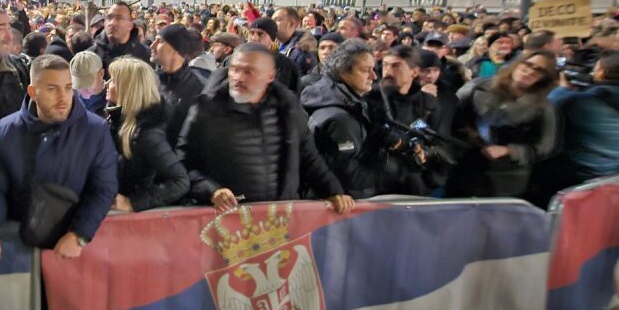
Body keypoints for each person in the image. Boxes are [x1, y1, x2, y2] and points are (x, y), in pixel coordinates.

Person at [0, 55, 118, 263]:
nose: (63, 97)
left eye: (68, 87)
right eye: (52, 89)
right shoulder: (6, 130)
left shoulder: (95, 130)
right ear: (32, 92)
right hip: (17, 252)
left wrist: (79, 235)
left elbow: (104, 188)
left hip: (73, 253)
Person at [178, 43, 355, 213]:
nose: (238, 77)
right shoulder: (207, 109)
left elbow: (308, 157)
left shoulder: (288, 109)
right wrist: (211, 191)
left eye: (248, 71)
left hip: (277, 222)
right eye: (235, 69)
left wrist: (333, 192)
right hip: (226, 222)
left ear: (270, 76)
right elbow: (183, 164)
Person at [449, 51, 559, 198]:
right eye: (528, 65)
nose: (530, 71)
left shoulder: (544, 108)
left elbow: (546, 146)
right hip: (466, 166)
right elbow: (452, 114)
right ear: (517, 63)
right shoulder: (479, 86)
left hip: (506, 177)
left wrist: (509, 150)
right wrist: (466, 131)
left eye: (539, 71)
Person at [301, 39, 400, 198]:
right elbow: (349, 178)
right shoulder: (338, 118)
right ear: (343, 71)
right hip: (344, 208)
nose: (374, 76)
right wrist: (393, 165)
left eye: (373, 69)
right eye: (365, 70)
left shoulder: (353, 104)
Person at [533, 51, 619, 205]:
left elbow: (547, 109)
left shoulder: (581, 101)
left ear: (602, 73)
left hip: (583, 178)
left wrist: (561, 89)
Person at [106, 57, 189, 212]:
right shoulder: (119, 119)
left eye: (112, 81)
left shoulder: (147, 135)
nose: (107, 84)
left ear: (127, 89)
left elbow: (180, 181)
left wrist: (133, 202)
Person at [368, 45, 452, 194]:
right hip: (375, 185)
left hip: (415, 186)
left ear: (414, 72)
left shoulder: (428, 104)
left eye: (396, 66)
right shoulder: (370, 99)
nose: (388, 70)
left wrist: (422, 154)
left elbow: (440, 144)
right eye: (385, 65)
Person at [151, 24, 206, 147]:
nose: (152, 45)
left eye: (159, 41)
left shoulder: (199, 89)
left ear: (176, 50)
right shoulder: (149, 81)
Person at [245, 17, 301, 94]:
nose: (254, 38)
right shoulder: (238, 59)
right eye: (252, 33)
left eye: (260, 34)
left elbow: (279, 94)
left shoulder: (282, 64)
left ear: (272, 40)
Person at [89, 2, 150, 73]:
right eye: (109, 18)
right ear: (105, 23)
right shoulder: (91, 57)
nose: (112, 23)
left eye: (119, 18)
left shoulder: (144, 55)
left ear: (130, 25)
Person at [271, 7, 314, 76]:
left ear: (291, 24)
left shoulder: (302, 51)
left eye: (277, 20)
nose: (272, 24)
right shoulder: (274, 45)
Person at [70, 50, 107, 117]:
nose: (82, 89)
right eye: (78, 85)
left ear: (101, 74)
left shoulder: (112, 101)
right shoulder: (69, 101)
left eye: (87, 83)